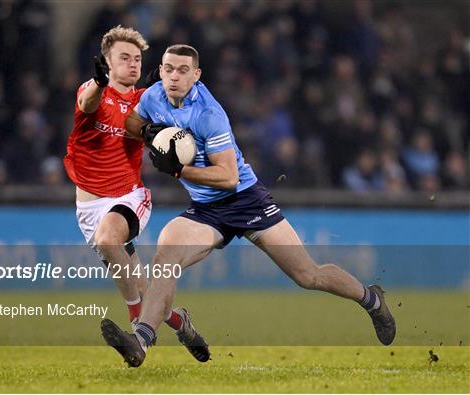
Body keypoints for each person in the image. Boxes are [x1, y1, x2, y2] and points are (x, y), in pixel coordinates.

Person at [101, 44, 396, 368]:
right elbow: (131, 122)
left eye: (183, 70)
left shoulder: (208, 115)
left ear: (196, 75)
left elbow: (227, 177)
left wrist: (179, 169)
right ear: (160, 71)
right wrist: (146, 132)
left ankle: (371, 300)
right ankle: (141, 341)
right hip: (206, 210)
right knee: (166, 256)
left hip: (246, 201)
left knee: (307, 274)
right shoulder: (154, 95)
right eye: (168, 68)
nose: (174, 76)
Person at [63, 29, 209, 363]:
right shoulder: (92, 90)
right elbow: (88, 102)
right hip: (88, 207)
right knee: (147, 292)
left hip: (128, 197)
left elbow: (180, 118)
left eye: (137, 59)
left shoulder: (147, 100)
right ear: (108, 63)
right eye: (124, 58)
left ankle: (135, 323)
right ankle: (180, 322)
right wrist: (100, 83)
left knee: (108, 237)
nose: (132, 64)